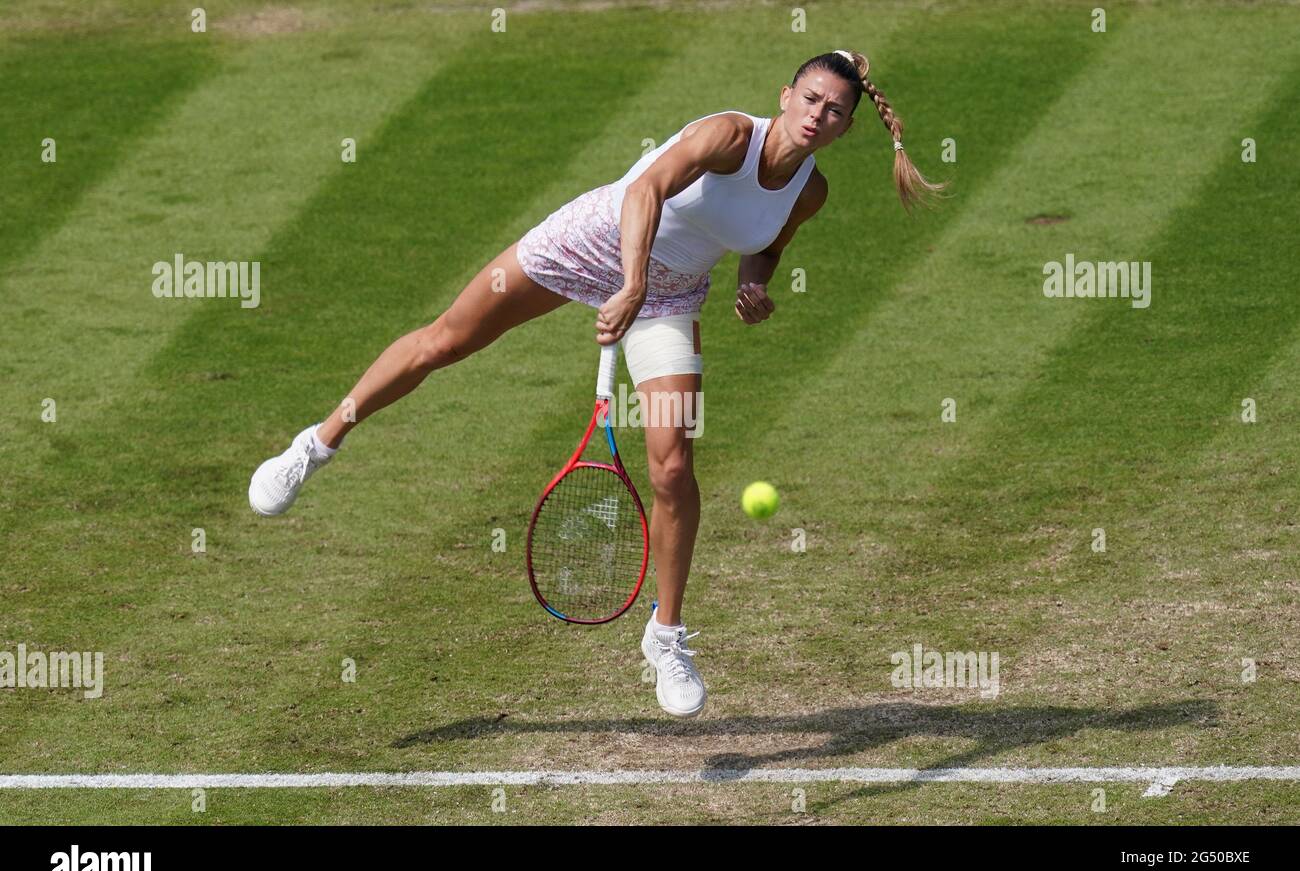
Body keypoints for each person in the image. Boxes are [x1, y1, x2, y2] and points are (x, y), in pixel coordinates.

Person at [248, 49, 944, 718]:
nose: (818, 116)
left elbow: (764, 243)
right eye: (812, 99)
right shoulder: (728, 135)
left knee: (673, 465)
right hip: (596, 239)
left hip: (670, 293)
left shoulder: (810, 191)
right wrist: (631, 278)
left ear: (847, 128)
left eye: (835, 111)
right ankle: (317, 442)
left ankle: (665, 636)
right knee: (447, 340)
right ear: (785, 97)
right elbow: (645, 187)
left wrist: (753, 288)